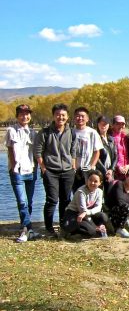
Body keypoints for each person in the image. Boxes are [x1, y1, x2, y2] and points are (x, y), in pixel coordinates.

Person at [35, 103, 77, 236]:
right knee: (52, 200)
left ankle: (64, 226)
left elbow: (73, 151)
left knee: (66, 200)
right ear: (53, 116)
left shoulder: (72, 132)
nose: (60, 117)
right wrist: (43, 169)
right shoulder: (45, 132)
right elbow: (38, 152)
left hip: (68, 171)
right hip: (50, 171)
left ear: (67, 117)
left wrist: (73, 167)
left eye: (63, 115)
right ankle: (49, 228)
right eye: (57, 114)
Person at [7, 104, 39, 242]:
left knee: (29, 202)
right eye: (21, 114)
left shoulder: (34, 133)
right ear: (17, 116)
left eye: (27, 114)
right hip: (17, 171)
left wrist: (37, 167)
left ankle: (25, 228)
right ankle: (27, 229)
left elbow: (37, 152)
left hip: (31, 169)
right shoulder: (11, 130)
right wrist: (14, 167)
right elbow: (10, 149)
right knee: (22, 201)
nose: (25, 116)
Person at [62, 170, 109, 238]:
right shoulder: (81, 192)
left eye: (95, 181)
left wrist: (87, 212)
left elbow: (98, 208)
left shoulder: (99, 192)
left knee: (103, 216)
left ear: (100, 183)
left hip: (86, 213)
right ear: (87, 180)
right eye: (90, 180)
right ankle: (70, 233)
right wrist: (95, 227)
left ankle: (97, 229)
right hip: (74, 213)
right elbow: (82, 211)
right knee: (92, 231)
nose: (92, 183)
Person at [71, 107, 102, 192]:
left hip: (88, 170)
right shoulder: (70, 132)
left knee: (89, 193)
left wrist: (91, 166)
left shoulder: (92, 132)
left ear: (87, 119)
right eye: (77, 116)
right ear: (74, 118)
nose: (80, 118)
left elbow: (97, 152)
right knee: (76, 193)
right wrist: (73, 167)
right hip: (73, 170)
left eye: (82, 116)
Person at [95, 115, 117, 191]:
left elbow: (116, 156)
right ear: (98, 125)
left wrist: (111, 170)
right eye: (101, 123)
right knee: (99, 192)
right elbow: (96, 157)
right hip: (99, 171)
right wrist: (105, 171)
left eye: (105, 124)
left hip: (110, 170)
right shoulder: (95, 138)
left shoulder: (111, 139)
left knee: (110, 192)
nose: (103, 126)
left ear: (108, 125)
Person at [111, 115, 129, 180]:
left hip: (126, 170)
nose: (120, 126)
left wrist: (128, 165)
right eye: (118, 124)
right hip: (114, 171)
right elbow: (111, 156)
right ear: (113, 125)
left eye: (122, 124)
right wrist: (118, 167)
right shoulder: (110, 138)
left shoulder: (125, 137)